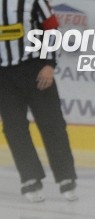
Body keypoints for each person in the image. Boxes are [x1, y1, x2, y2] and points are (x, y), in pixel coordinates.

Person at [0, 0, 78, 203]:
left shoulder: (34, 1)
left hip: (36, 70)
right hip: (4, 77)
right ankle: (30, 178)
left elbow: (52, 30)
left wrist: (49, 64)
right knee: (14, 128)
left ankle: (66, 177)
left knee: (52, 124)